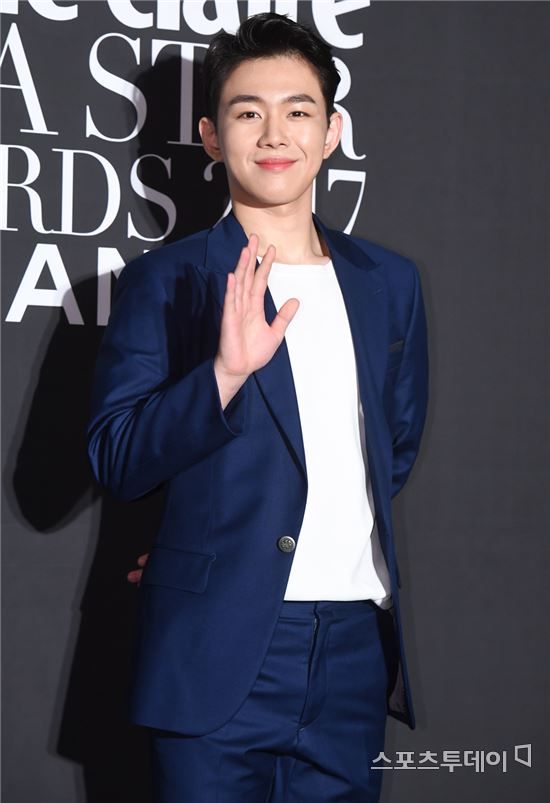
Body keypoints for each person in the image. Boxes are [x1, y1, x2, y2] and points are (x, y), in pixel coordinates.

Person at [87, 12, 428, 803]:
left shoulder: (389, 282)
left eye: (298, 110)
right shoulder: (167, 280)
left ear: (332, 131)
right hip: (215, 645)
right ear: (211, 136)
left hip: (353, 649)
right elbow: (116, 455)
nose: (275, 134)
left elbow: (394, 446)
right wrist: (223, 374)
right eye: (248, 112)